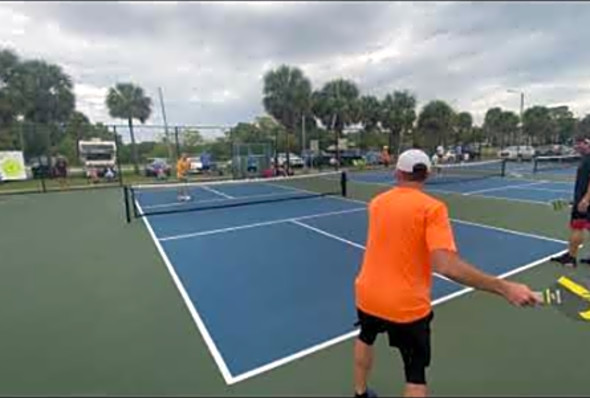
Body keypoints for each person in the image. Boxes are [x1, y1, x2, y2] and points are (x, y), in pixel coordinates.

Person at [353, 149, 541, 398]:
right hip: (406, 306)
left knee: (365, 338)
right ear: (427, 174)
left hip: (368, 293)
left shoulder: (376, 203)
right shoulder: (433, 209)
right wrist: (504, 287)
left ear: (397, 172)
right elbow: (446, 265)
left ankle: (360, 392)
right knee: (415, 376)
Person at [550, 137, 590, 267]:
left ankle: (571, 258)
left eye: (580, 144)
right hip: (584, 198)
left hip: (585, 200)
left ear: (587, 143)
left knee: (577, 227)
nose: (577, 147)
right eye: (576, 144)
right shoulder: (585, 158)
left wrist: (585, 199)